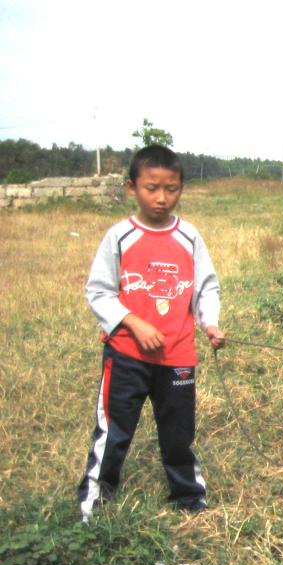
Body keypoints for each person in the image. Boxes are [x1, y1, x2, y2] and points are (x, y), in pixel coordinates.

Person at [77, 145, 225, 522]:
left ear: (181, 189)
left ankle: (190, 501)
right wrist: (133, 322)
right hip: (126, 355)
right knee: (114, 430)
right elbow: (99, 291)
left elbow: (205, 287)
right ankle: (94, 503)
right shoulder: (120, 236)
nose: (161, 198)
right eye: (151, 188)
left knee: (178, 435)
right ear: (132, 187)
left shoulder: (189, 237)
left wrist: (209, 321)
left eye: (171, 189)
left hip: (178, 357)